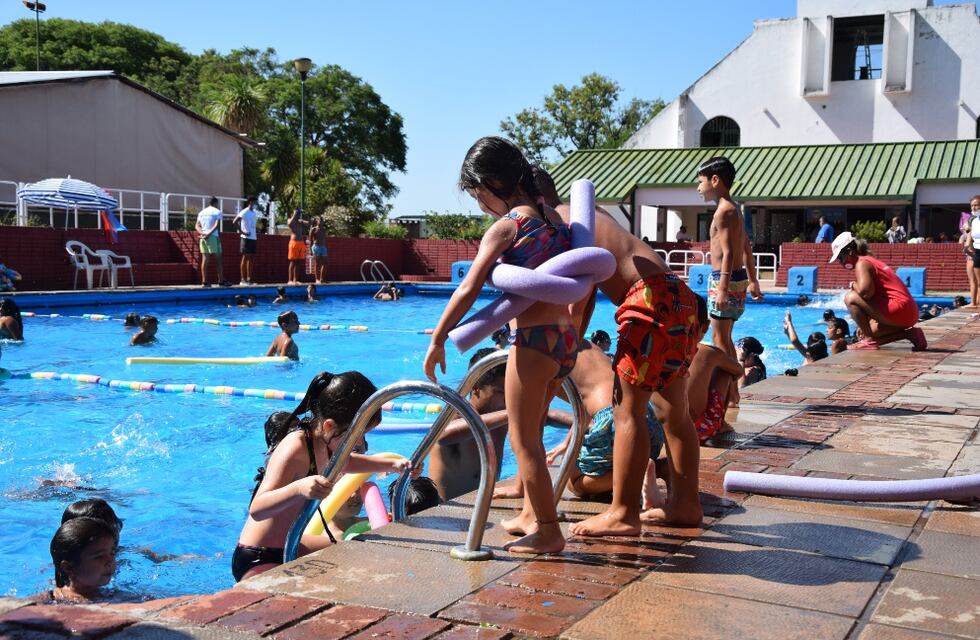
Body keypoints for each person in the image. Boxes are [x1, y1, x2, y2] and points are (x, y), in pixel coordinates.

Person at [424, 137, 578, 554]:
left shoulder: (507, 227)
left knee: (522, 439)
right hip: (563, 340)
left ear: (491, 183)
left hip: (532, 341)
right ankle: (532, 514)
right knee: (534, 431)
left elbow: (469, 287)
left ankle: (549, 530)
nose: (479, 204)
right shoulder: (555, 222)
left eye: (478, 194)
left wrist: (439, 338)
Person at [536, 166, 703, 534]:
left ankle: (623, 513)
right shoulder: (592, 215)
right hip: (678, 295)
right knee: (675, 412)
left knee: (627, 411)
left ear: (537, 202)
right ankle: (686, 505)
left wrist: (563, 349)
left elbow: (578, 296)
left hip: (645, 299)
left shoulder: (564, 222)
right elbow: (590, 290)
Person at [233, 371, 412, 581]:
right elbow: (258, 508)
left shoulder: (325, 443)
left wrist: (393, 464)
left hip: (292, 545)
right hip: (258, 555)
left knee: (351, 550)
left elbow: (348, 463)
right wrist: (298, 488)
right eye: (356, 436)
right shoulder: (295, 447)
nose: (361, 444)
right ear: (329, 426)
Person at [542, 340, 667, 507]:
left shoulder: (541, 353)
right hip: (644, 414)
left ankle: (641, 470)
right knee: (578, 457)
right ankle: (660, 466)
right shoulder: (585, 343)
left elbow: (533, 423)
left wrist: (522, 487)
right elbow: (585, 404)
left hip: (611, 419)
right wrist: (566, 444)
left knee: (575, 483)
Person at [697, 156, 763, 407]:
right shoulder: (735, 208)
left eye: (701, 182)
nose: (698, 187)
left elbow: (729, 253)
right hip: (737, 279)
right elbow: (746, 246)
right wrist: (753, 280)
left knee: (720, 340)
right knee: (723, 337)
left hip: (723, 279)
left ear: (715, 180)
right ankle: (732, 393)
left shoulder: (723, 212)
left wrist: (722, 289)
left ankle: (732, 393)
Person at [429, 347, 509, 501]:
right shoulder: (456, 412)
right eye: (500, 392)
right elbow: (441, 435)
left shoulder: (502, 414)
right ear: (475, 387)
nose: (507, 400)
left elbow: (548, 416)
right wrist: (511, 414)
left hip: (484, 507)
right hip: (447, 513)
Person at [829, 232, 927, 350]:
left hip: (899, 309)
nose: (841, 262)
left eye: (840, 258)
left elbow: (866, 293)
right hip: (910, 313)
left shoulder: (862, 263)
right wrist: (867, 324)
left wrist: (853, 284)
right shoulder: (868, 260)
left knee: (850, 297)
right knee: (868, 332)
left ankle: (869, 341)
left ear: (850, 251)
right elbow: (875, 297)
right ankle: (910, 334)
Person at [686, 296, 742, 443]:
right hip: (700, 430)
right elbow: (738, 370)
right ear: (705, 327)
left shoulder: (661, 351)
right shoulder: (708, 352)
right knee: (725, 371)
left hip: (665, 428)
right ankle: (720, 423)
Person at [45, 517, 119, 602]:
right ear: (68, 567)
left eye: (112, 553)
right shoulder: (47, 601)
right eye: (99, 556)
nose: (110, 561)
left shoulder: (118, 596)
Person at [196, 196, 229, 288]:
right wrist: (209, 234)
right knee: (218, 260)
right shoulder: (217, 211)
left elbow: (197, 226)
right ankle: (221, 281)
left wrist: (203, 233)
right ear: (216, 203)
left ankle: (204, 282)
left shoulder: (202, 212)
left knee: (205, 259)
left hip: (203, 238)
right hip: (213, 237)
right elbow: (216, 225)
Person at [234, 196, 259, 285]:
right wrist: (242, 232)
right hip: (245, 238)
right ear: (250, 202)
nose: (256, 204)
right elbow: (235, 221)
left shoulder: (254, 213)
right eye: (255, 202)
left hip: (253, 238)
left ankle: (249, 278)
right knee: (245, 258)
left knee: (251, 258)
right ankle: (242, 279)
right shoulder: (244, 211)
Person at [963, 195, 980, 308]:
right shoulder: (974, 220)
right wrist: (967, 250)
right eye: (972, 205)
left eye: (976, 205)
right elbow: (970, 238)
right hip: (978, 251)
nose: (973, 208)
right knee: (978, 280)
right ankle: (975, 304)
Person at [287, 209, 308, 285]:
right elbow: (289, 224)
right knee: (293, 261)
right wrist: (294, 214)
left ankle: (295, 280)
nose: (298, 214)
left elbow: (308, 223)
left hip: (301, 243)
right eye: (297, 213)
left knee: (298, 262)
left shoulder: (300, 221)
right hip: (294, 243)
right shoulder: (290, 220)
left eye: (299, 213)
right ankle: (290, 280)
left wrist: (304, 216)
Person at [310, 216, 329, 284]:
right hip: (316, 247)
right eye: (320, 220)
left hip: (323, 247)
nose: (321, 221)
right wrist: (310, 250)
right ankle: (317, 279)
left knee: (325, 263)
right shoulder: (313, 229)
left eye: (322, 220)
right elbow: (310, 239)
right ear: (317, 221)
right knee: (317, 264)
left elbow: (324, 237)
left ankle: (322, 279)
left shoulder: (324, 229)